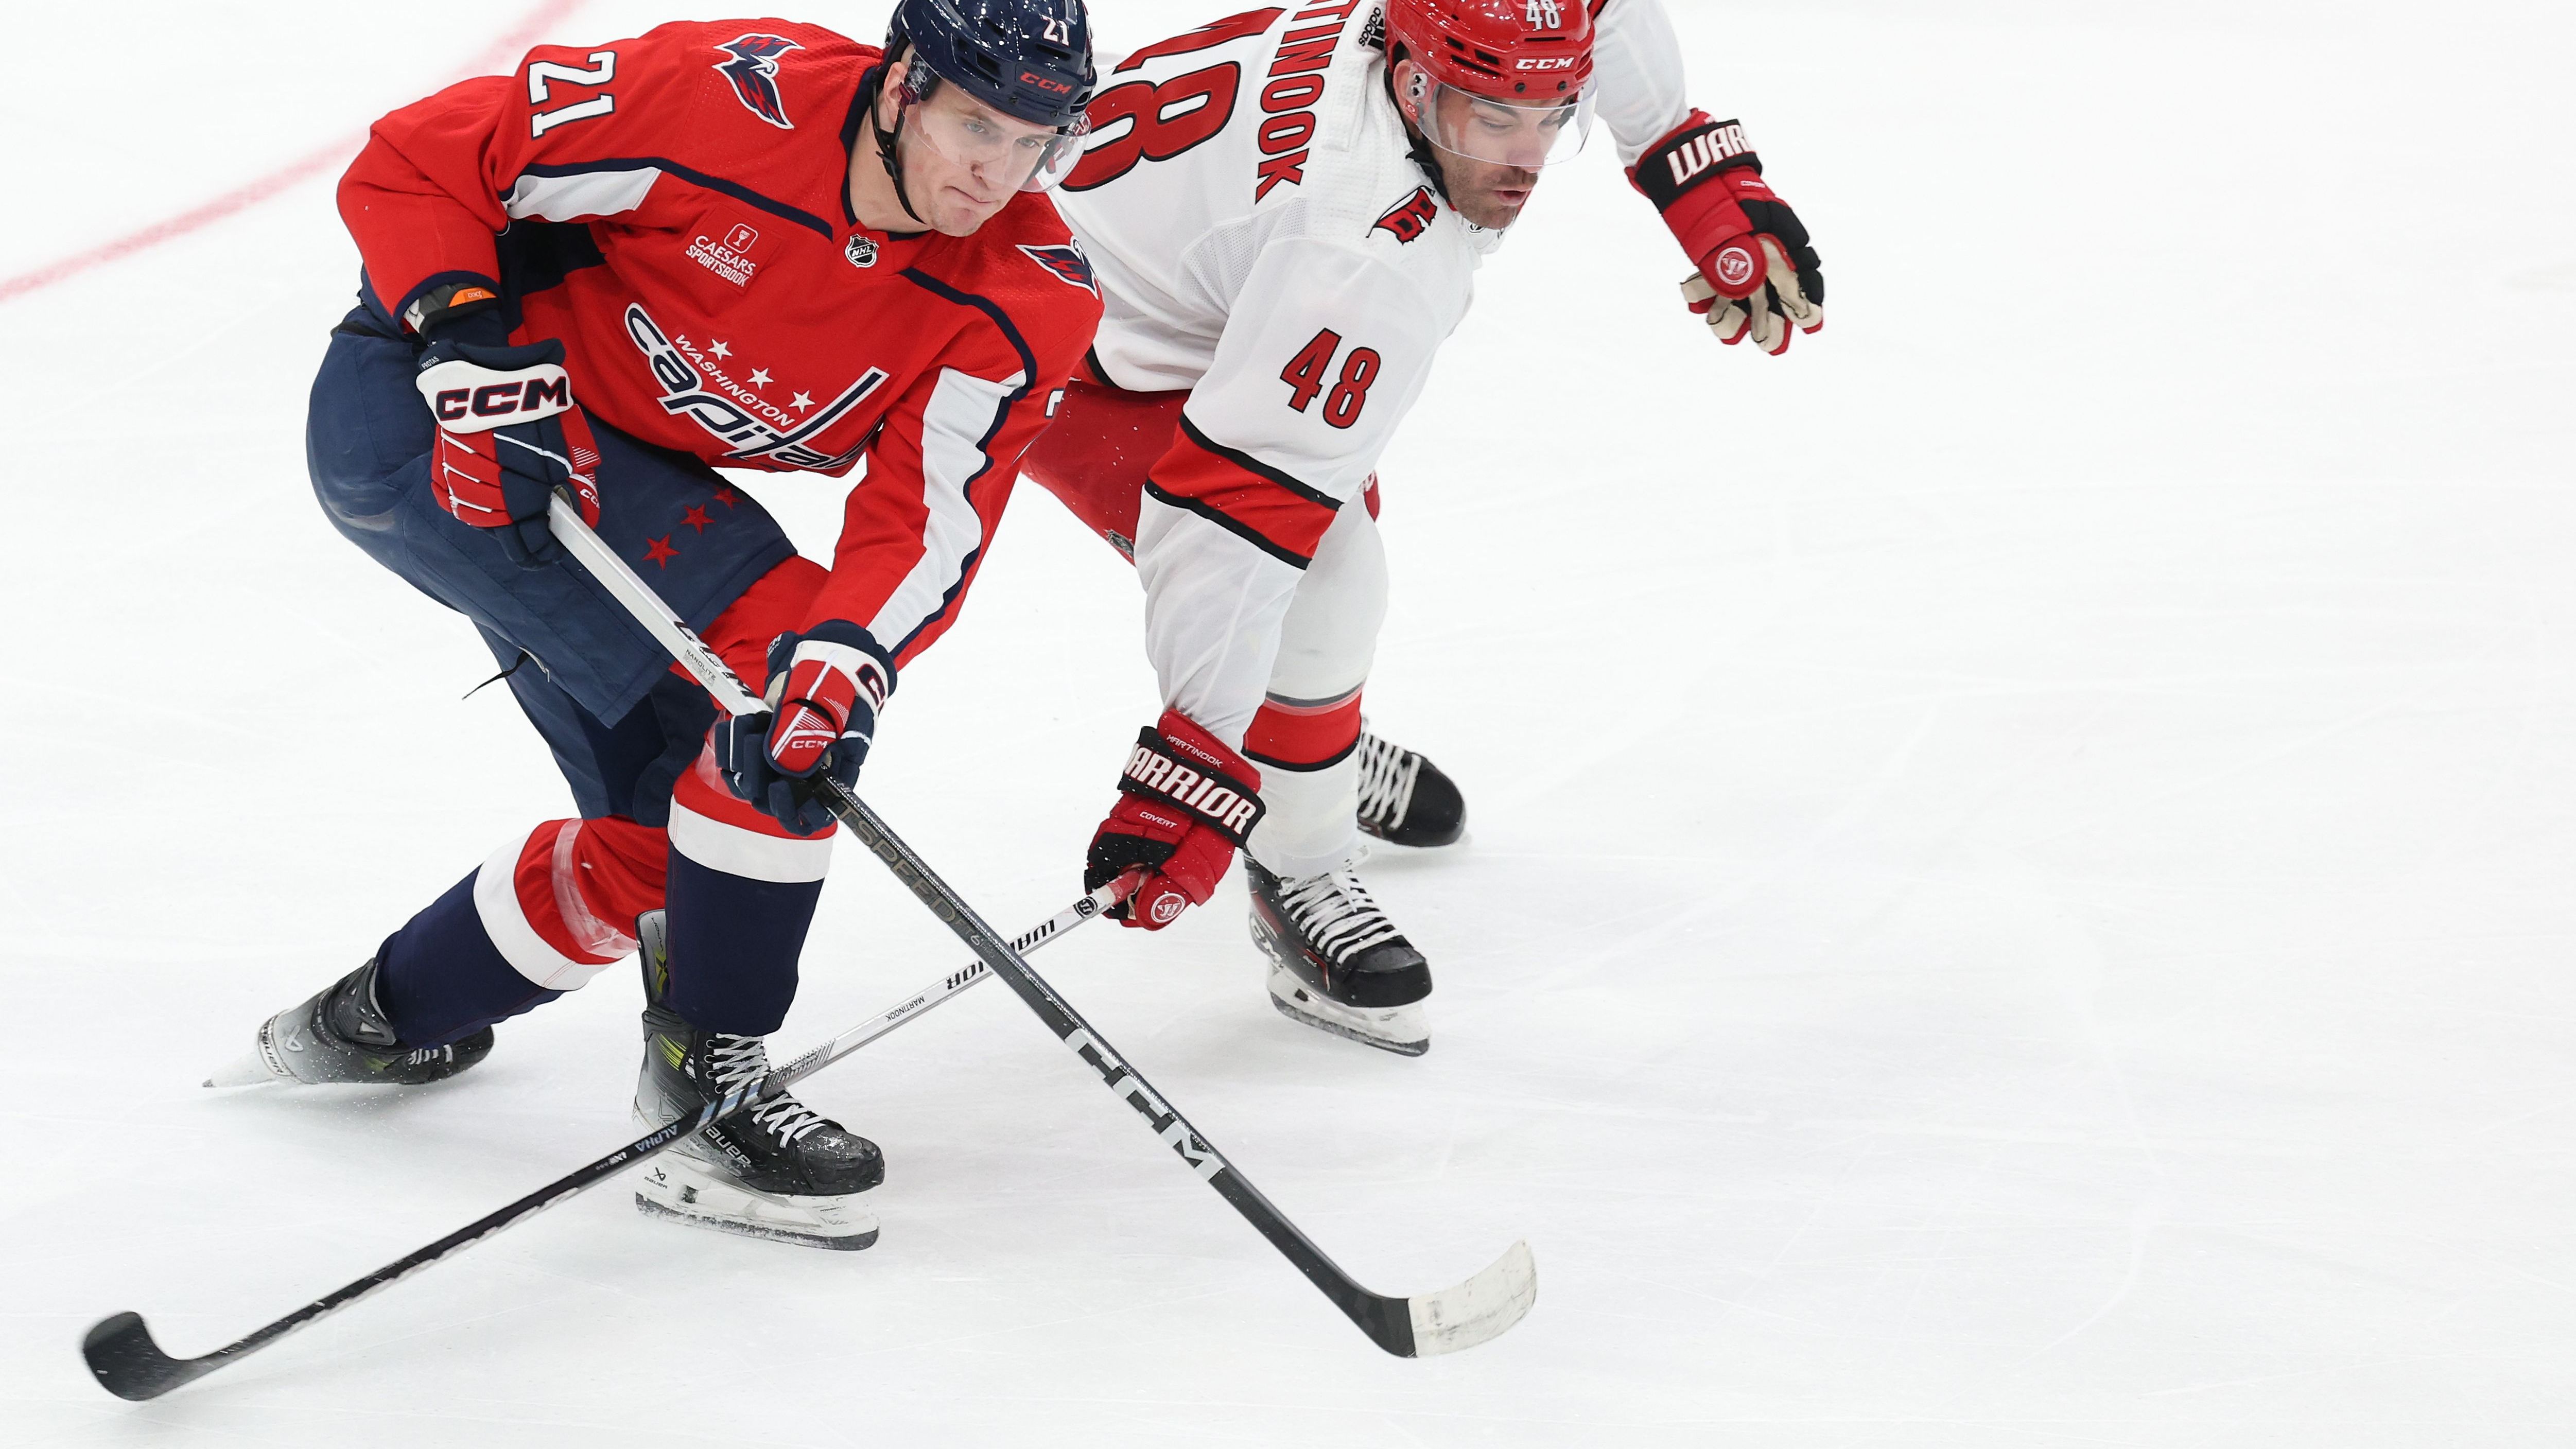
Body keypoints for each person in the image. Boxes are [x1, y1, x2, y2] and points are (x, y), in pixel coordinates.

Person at [211, 0, 1104, 1251]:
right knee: (755, 705)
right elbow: (422, 155)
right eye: (974, 126)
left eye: (1033, 142)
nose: (995, 175)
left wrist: (850, 657)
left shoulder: (1026, 292)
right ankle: (706, 1073)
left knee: (732, 772)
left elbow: (926, 521)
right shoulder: (720, 100)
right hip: (429, 415)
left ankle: (385, 1010)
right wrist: (465, 338)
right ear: (902, 85)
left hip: (623, 466)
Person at [1022, 0, 1823, 1055]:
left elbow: (1602, 11)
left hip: (1158, 238)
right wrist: (1194, 763)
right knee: (1321, 575)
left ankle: (1313, 750)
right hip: (1055, 348)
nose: (1529, 159)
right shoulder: (1360, 247)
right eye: (1494, 117)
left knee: (1329, 491)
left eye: (1554, 112)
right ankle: (1299, 854)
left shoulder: (1441, 36)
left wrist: (1696, 172)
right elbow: (1228, 529)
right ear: (1410, 83)